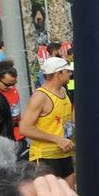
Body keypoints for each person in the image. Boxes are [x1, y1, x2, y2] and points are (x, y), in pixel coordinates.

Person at [20, 57, 76, 186]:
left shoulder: (63, 91)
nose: (70, 74)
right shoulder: (40, 96)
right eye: (67, 71)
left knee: (69, 195)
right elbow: (25, 128)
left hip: (64, 154)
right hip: (45, 157)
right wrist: (57, 139)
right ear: (58, 74)